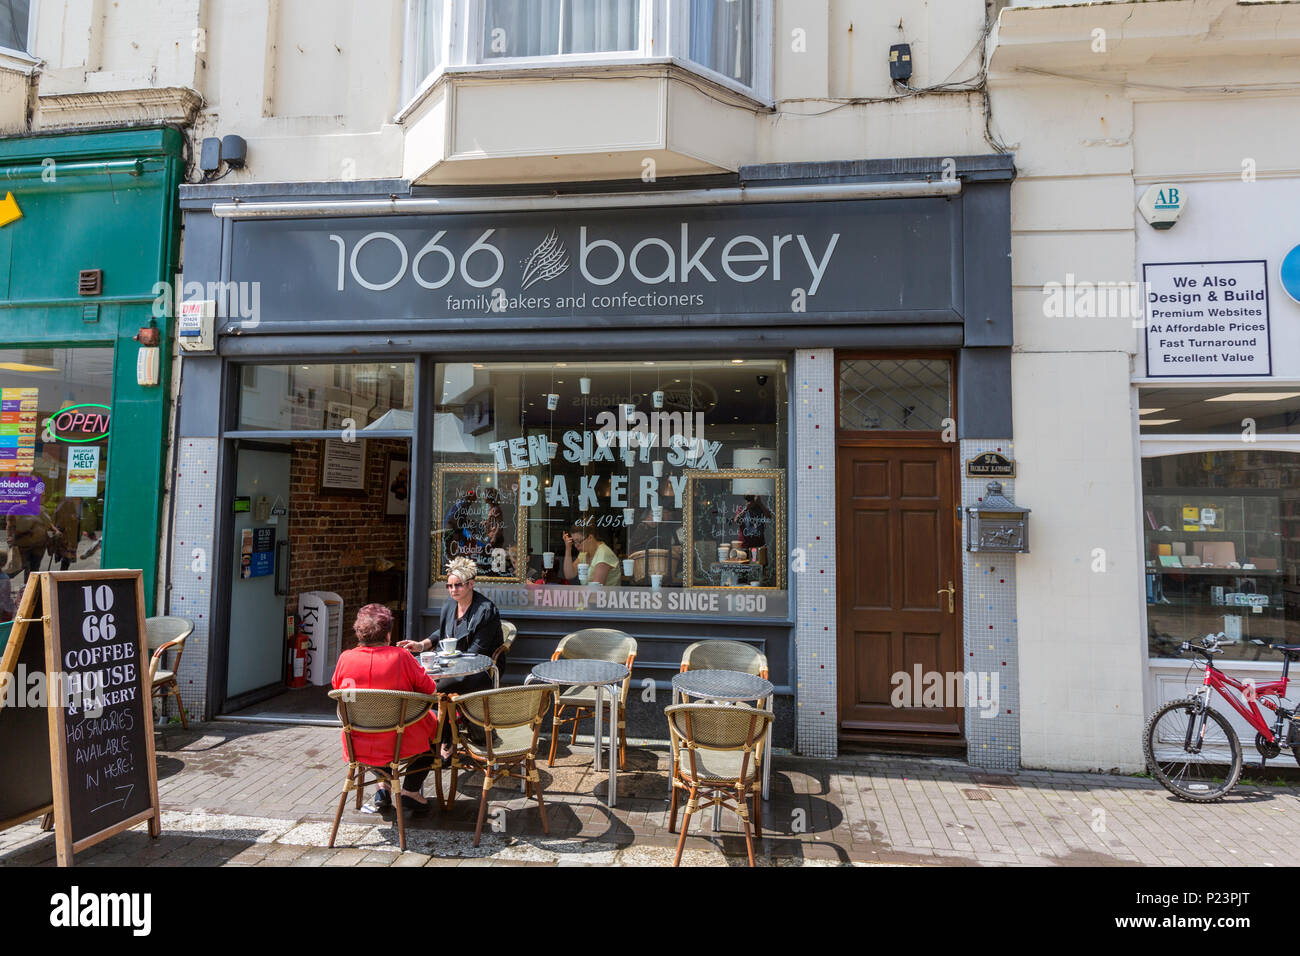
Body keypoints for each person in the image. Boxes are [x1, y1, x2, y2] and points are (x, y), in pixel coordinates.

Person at [331, 603, 437, 815]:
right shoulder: (401, 657)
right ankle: (410, 791)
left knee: (381, 729)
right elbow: (430, 689)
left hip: (358, 741)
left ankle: (383, 786)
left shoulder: (345, 658)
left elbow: (337, 688)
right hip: (400, 740)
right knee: (437, 729)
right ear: (388, 634)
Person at [399, 556, 504, 757]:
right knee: (427, 684)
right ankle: (444, 736)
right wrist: (421, 645)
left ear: (471, 584)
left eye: (458, 586)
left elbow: (477, 652)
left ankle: (444, 738)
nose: (452, 590)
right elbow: (442, 632)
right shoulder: (449, 605)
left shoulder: (485, 611)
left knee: (432, 688)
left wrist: (444, 669)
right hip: (451, 666)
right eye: (449, 586)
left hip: (479, 669)